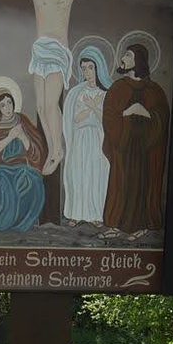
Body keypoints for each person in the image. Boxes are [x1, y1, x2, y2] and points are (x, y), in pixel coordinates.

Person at [0, 0, 152, 176]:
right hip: (39, 51)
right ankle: (54, 148)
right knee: (41, 106)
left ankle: (57, 150)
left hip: (58, 51)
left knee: (51, 104)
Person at [101, 43, 169, 234]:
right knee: (121, 184)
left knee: (143, 186)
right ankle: (115, 225)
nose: (123, 58)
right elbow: (109, 117)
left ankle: (142, 227)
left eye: (128, 55)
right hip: (123, 148)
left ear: (139, 60)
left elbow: (162, 119)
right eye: (124, 55)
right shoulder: (117, 88)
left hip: (145, 151)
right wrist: (127, 112)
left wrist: (144, 112)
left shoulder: (155, 90)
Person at [0, 91, 49, 234]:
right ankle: (3, 221)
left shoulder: (23, 121)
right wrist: (10, 137)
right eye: (3, 105)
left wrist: (23, 137)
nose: (7, 108)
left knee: (34, 178)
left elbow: (35, 152)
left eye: (9, 102)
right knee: (5, 182)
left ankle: (23, 222)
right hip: (3, 168)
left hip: (23, 166)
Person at [60, 48, 112, 225]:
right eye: (84, 68)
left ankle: (97, 215)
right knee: (79, 174)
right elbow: (75, 118)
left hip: (99, 139)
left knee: (97, 175)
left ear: (98, 68)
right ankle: (77, 213)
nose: (87, 72)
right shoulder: (77, 92)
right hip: (81, 138)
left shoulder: (107, 93)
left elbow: (106, 120)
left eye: (90, 67)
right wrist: (92, 108)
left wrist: (92, 107)